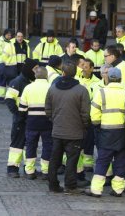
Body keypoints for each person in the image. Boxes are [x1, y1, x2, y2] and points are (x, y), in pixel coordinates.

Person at [85, 67, 125, 197]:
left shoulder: (101, 92)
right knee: (121, 160)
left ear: (108, 78)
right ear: (120, 78)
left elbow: (94, 113)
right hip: (123, 132)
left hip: (105, 132)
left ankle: (96, 189)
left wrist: (97, 124)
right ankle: (118, 189)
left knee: (102, 160)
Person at [45, 61, 91, 194]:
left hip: (58, 130)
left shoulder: (52, 88)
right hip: (75, 132)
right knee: (72, 160)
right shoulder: (82, 90)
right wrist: (84, 126)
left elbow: (47, 108)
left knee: (55, 159)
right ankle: (70, 185)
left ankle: (53, 185)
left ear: (63, 73)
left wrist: (54, 120)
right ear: (75, 74)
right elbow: (85, 113)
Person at [5, 58, 39, 178]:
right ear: (29, 69)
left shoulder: (32, 82)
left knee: (29, 144)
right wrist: (18, 114)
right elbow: (9, 99)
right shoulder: (18, 81)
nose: (37, 71)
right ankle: (12, 168)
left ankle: (28, 168)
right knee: (17, 144)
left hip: (29, 119)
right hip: (20, 120)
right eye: (35, 68)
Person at [18, 67, 52, 180]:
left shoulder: (28, 88)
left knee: (30, 146)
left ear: (35, 75)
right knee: (47, 146)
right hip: (47, 123)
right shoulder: (51, 87)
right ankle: (46, 171)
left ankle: (30, 171)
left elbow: (22, 108)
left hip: (32, 122)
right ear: (46, 75)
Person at [0, 29, 13, 103]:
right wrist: (7, 52)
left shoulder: (10, 42)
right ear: (4, 35)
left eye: (10, 35)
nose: (9, 36)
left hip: (9, 63)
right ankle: (0, 97)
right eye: (8, 35)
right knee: (2, 79)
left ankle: (6, 97)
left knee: (8, 79)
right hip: (2, 63)